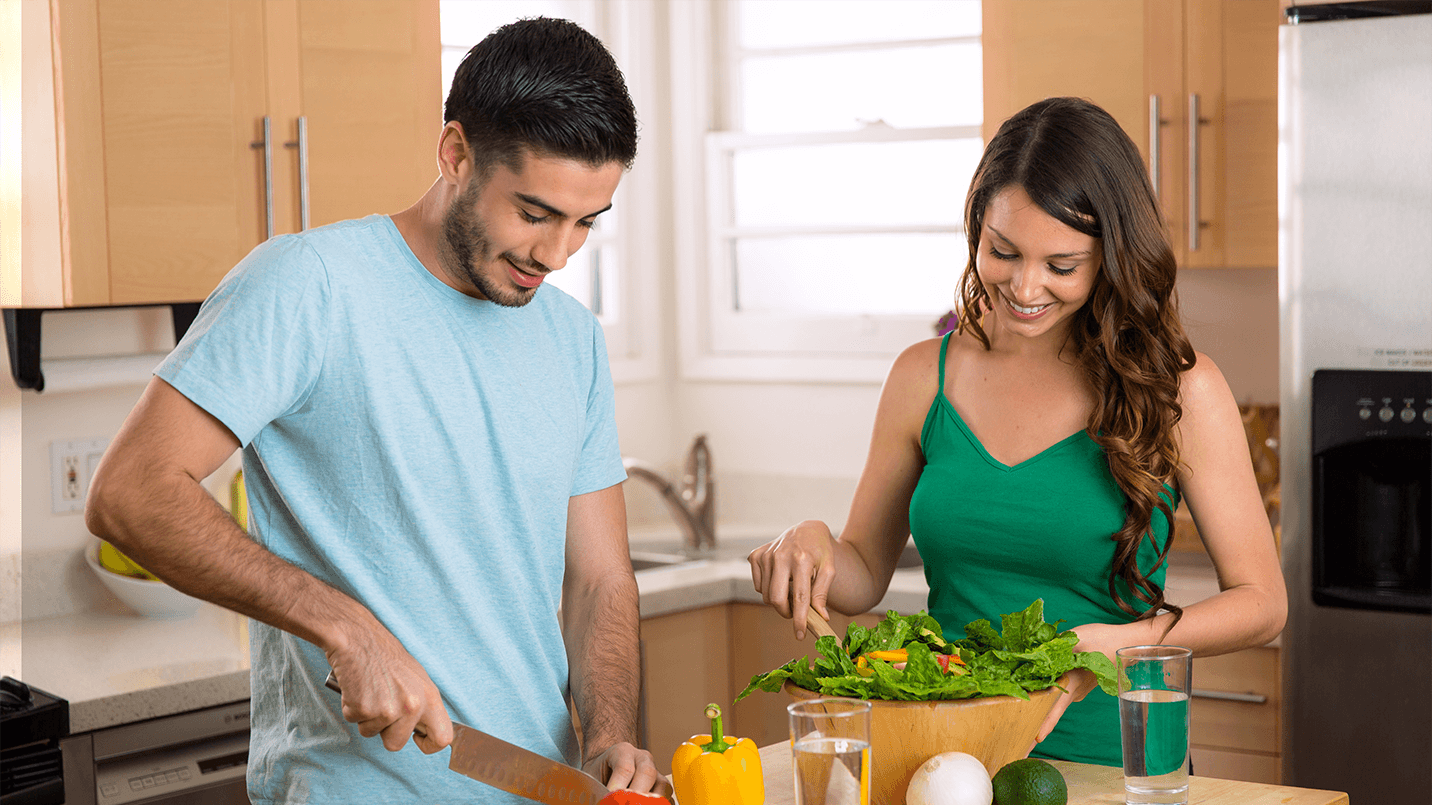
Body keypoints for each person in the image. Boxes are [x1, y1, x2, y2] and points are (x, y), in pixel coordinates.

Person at [85, 17, 668, 803]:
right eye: (533, 213)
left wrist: (608, 737)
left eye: (585, 223)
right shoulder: (310, 285)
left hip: (540, 787)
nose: (556, 255)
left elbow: (599, 577)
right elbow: (131, 489)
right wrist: (343, 624)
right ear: (455, 153)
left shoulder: (572, 338)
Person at [747, 96, 1287, 768]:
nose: (1026, 285)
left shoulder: (1180, 387)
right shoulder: (924, 376)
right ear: (977, 227)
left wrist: (1126, 643)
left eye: (1062, 265)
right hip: (945, 758)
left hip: (1114, 761)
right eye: (1002, 251)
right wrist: (812, 545)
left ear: (1111, 255)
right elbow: (863, 575)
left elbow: (1263, 603)